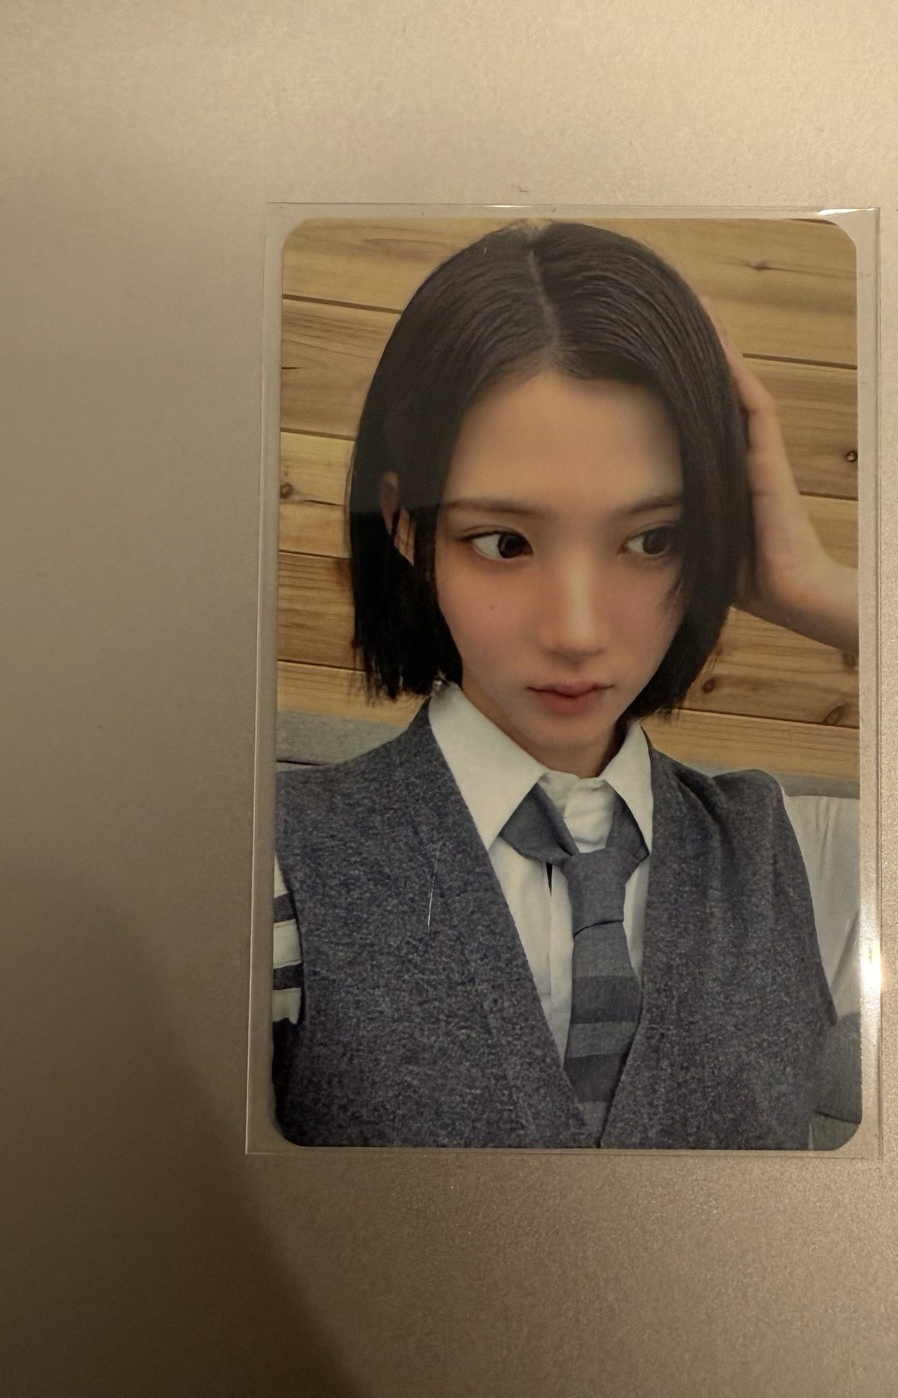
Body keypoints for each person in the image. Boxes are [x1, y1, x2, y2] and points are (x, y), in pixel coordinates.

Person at [271, 220, 859, 1149]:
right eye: (504, 543)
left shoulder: (765, 850)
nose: (578, 632)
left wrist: (821, 591)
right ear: (404, 526)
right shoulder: (275, 860)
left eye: (653, 539)